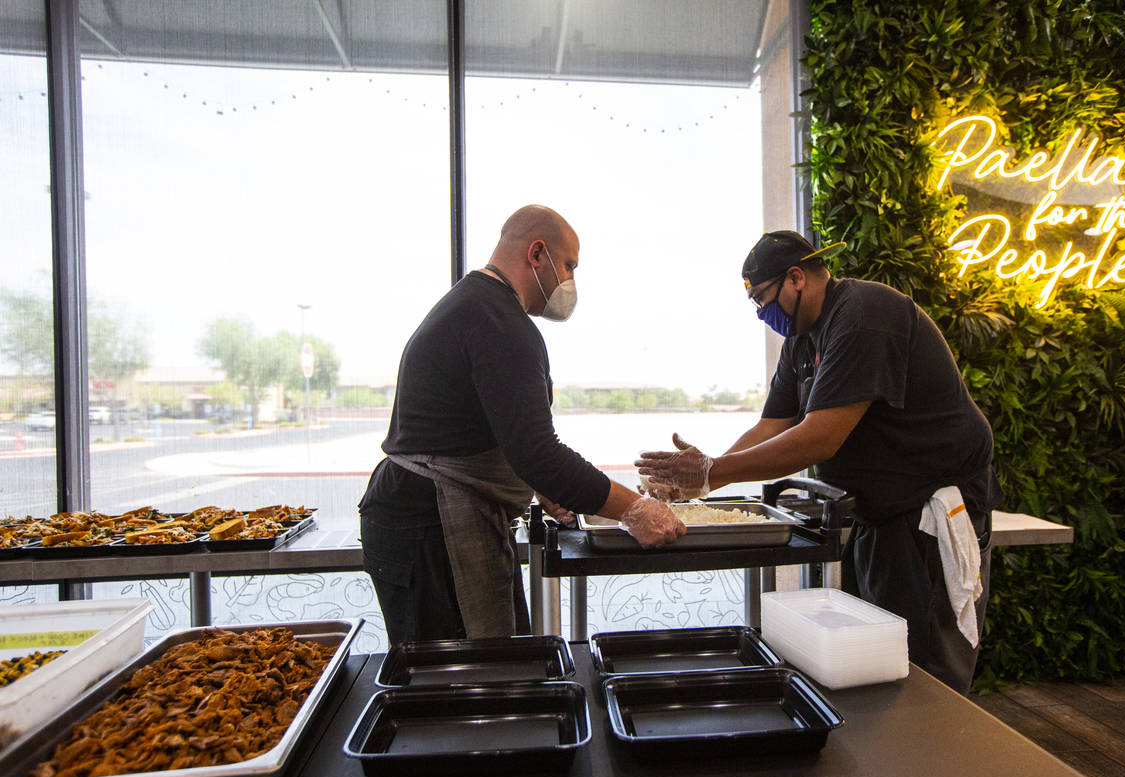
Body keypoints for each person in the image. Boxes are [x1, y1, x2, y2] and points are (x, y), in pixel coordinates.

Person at [636, 230, 1002, 693]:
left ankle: (939, 758)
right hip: (880, 515)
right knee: (874, 659)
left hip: (928, 513)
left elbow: (819, 439)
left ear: (796, 278)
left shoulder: (864, 316)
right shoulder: (801, 343)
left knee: (924, 668)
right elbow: (771, 426)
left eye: (763, 300)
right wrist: (706, 475)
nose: (762, 315)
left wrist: (712, 473)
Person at [359, 205, 685, 645]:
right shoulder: (498, 322)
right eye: (568, 264)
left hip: (418, 511)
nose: (570, 279)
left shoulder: (477, 306)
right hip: (432, 522)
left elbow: (484, 431)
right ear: (536, 253)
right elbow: (538, 452)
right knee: (459, 685)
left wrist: (540, 485)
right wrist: (635, 509)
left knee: (489, 668)